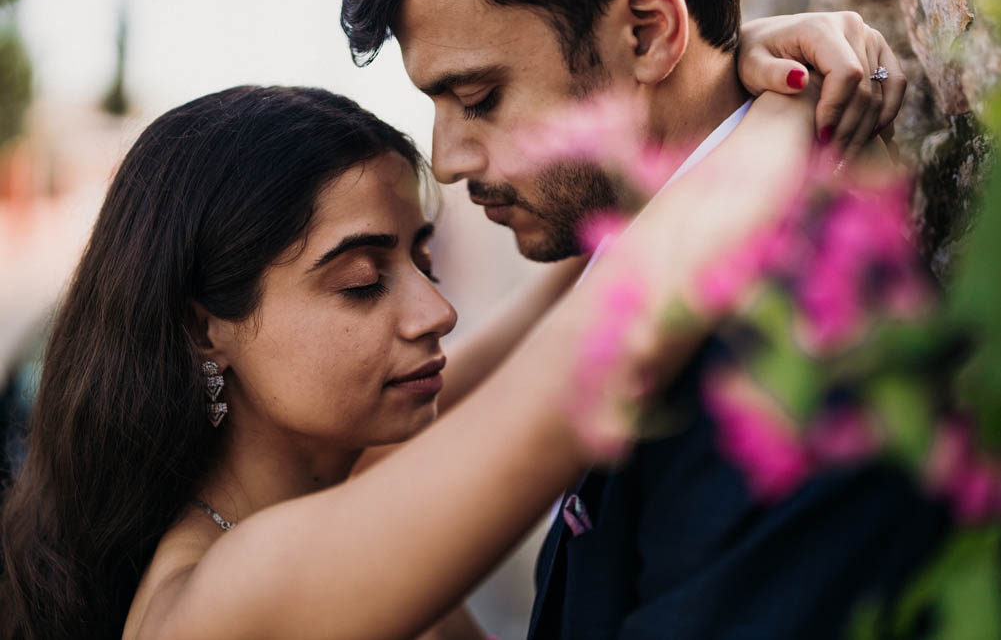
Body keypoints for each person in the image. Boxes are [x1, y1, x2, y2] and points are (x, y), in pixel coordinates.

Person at [0, 80, 827, 639]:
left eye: (422, 263)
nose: (436, 312)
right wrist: (791, 106)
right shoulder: (230, 593)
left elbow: (580, 285)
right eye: (362, 283)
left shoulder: (350, 474)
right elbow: (598, 351)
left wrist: (715, 83)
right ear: (204, 327)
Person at [340, 0, 949, 638]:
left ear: (649, 32)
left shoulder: (791, 352)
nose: (446, 160)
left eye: (479, 98)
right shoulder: (633, 274)